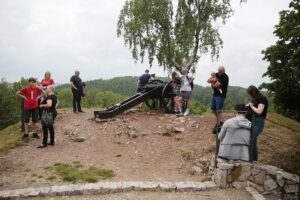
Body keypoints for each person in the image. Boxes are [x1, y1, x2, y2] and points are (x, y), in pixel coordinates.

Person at [246, 85, 268, 161]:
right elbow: (252, 105)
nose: (250, 95)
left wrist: (251, 106)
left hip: (259, 121)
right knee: (253, 141)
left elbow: (259, 111)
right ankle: (253, 159)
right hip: (253, 120)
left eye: (250, 93)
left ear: (254, 92)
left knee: (251, 139)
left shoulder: (262, 99)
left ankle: (252, 159)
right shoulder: (255, 98)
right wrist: (247, 105)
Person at [210, 66, 229, 134]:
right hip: (215, 94)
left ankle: (218, 125)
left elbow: (216, 85)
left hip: (221, 95)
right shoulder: (217, 74)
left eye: (220, 72)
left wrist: (213, 82)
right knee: (212, 107)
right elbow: (209, 81)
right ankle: (220, 120)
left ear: (223, 71)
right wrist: (212, 81)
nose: (219, 73)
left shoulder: (225, 77)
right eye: (218, 71)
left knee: (219, 110)